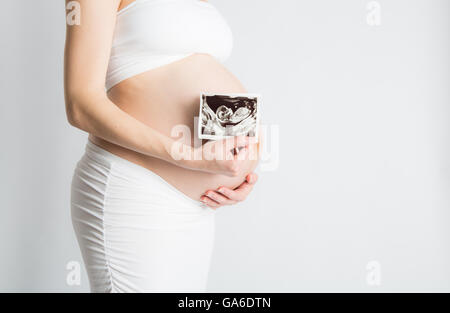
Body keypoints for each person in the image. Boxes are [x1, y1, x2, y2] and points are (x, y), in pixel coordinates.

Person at [64, 0, 260, 292]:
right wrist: (189, 158)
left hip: (198, 206)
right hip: (134, 188)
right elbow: (80, 104)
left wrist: (241, 164)